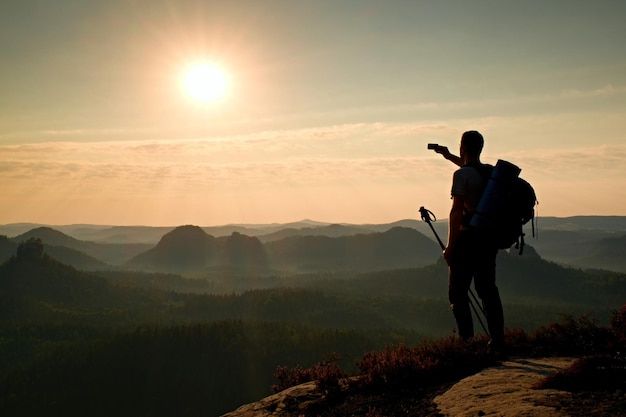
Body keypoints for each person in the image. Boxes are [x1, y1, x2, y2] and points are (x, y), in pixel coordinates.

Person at [433, 131, 505, 354]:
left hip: (465, 240)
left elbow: (456, 213)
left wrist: (450, 247)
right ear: (481, 148)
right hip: (487, 240)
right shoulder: (491, 174)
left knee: (458, 293)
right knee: (487, 290)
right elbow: (471, 170)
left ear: (463, 146)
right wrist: (448, 156)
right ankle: (497, 341)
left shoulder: (461, 175)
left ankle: (468, 344)